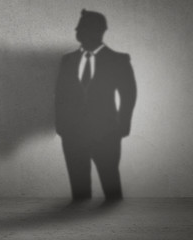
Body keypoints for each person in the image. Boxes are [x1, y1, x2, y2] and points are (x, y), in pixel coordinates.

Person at [56, 10, 137, 201]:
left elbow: (129, 94)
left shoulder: (118, 60)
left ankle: (115, 222)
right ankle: (77, 228)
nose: (76, 30)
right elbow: (60, 95)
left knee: (111, 188)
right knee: (79, 191)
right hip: (72, 134)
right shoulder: (67, 60)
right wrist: (61, 127)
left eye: (82, 26)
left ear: (98, 30)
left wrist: (122, 126)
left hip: (107, 132)